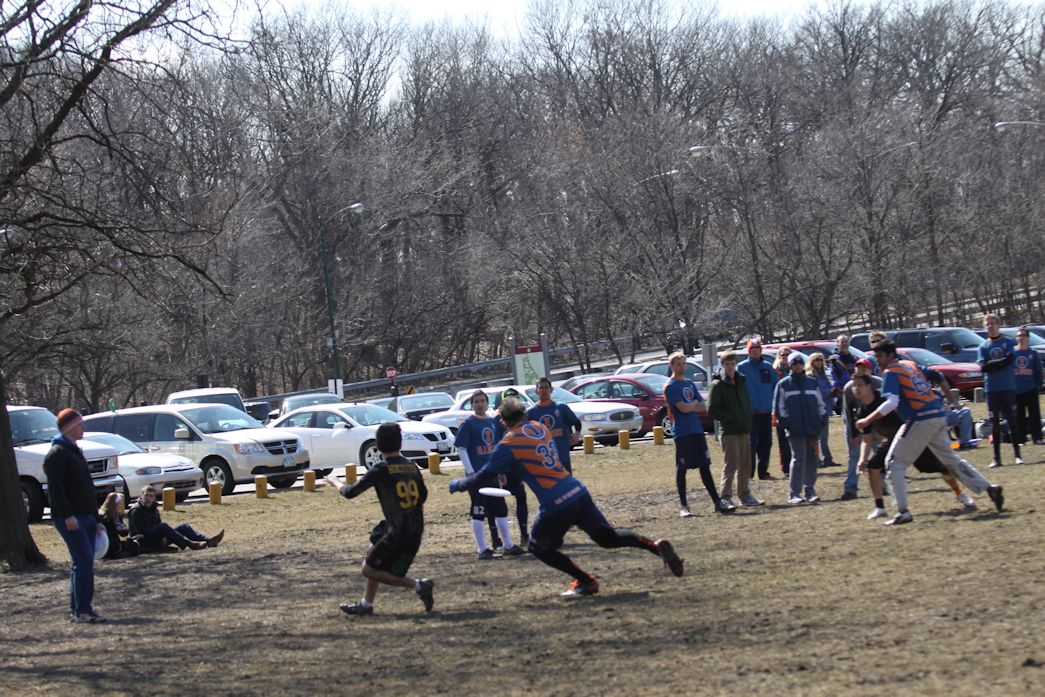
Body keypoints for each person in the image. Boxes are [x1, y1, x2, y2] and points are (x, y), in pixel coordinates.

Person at [448, 398, 684, 598]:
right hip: (577, 491)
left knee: (538, 547)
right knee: (607, 538)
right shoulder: (539, 427)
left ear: (503, 421)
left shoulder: (509, 442)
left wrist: (459, 484)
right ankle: (655, 546)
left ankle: (586, 581)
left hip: (556, 502)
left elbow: (485, 474)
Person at [857, 340, 1004, 525]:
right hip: (937, 415)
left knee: (894, 464)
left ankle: (903, 511)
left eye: (879, 356)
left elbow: (892, 402)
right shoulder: (910, 365)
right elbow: (936, 374)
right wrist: (949, 398)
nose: (877, 360)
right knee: (952, 460)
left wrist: (867, 420)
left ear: (890, 355)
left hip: (920, 418)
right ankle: (990, 488)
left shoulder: (891, 372)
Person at [324, 423, 434, 616]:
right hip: (414, 528)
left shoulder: (381, 469)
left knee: (368, 570)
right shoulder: (411, 467)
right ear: (400, 444)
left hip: (398, 532)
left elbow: (350, 492)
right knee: (373, 546)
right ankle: (366, 604)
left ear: (379, 446)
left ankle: (418, 585)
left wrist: (335, 482)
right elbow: (423, 495)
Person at [851, 374, 977, 520]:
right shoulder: (862, 411)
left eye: (860, 385)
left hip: (912, 437)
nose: (856, 388)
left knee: (942, 468)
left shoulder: (884, 400)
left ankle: (960, 494)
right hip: (892, 441)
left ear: (870, 386)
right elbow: (866, 440)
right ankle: (880, 508)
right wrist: (862, 459)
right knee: (873, 467)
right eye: (854, 385)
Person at [44, 408, 107, 623]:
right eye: (80, 424)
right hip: (71, 518)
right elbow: (56, 490)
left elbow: (86, 488)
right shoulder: (57, 454)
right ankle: (82, 610)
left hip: (86, 516)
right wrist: (68, 516)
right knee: (83, 560)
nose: (83, 428)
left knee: (83, 562)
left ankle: (80, 608)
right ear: (70, 428)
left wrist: (96, 520)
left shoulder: (75, 451)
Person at [453, 390, 524, 559]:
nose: (480, 404)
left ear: (487, 403)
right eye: (476, 401)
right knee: (479, 511)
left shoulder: (493, 422)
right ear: (472, 405)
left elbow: (497, 449)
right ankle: (482, 549)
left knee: (501, 509)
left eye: (482, 401)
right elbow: (461, 449)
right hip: (477, 476)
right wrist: (471, 473)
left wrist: (500, 471)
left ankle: (508, 545)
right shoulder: (468, 424)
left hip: (492, 474)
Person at [664, 351, 733, 517]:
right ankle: (684, 506)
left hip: (696, 430)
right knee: (682, 469)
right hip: (682, 432)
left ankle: (717, 502)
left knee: (704, 466)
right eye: (678, 364)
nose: (682, 367)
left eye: (683, 363)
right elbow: (683, 408)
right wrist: (694, 404)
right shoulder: (670, 386)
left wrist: (693, 405)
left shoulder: (689, 383)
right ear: (671, 366)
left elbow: (703, 406)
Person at [707, 351, 763, 508]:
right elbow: (711, 409)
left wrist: (747, 418)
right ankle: (725, 497)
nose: (730, 367)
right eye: (727, 364)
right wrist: (729, 418)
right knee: (731, 465)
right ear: (722, 365)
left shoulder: (742, 381)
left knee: (746, 464)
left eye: (732, 364)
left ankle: (745, 495)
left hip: (743, 429)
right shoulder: (717, 385)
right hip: (729, 431)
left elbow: (746, 402)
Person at [773, 352, 827, 504]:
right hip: (795, 429)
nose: (797, 366)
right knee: (798, 458)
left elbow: (820, 403)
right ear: (790, 366)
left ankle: (810, 490)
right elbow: (779, 407)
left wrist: (821, 420)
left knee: (812, 458)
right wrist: (787, 423)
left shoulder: (812, 382)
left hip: (812, 427)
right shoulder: (783, 384)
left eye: (800, 363)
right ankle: (794, 493)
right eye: (794, 364)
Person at [978, 314, 1024, 467]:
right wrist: (1000, 362)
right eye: (987, 324)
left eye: (992, 323)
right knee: (995, 423)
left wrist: (992, 364)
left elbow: (1009, 360)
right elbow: (983, 367)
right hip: (992, 389)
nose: (990, 326)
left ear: (998, 325)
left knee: (1011, 420)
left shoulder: (1008, 342)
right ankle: (997, 458)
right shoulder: (983, 346)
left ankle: (1017, 455)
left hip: (1007, 387)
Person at [128, 485, 224, 552]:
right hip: (144, 541)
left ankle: (209, 541)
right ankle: (190, 544)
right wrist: (161, 534)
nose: (148, 498)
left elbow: (157, 525)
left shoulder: (154, 509)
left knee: (184, 527)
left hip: (157, 538)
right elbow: (140, 532)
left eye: (151, 496)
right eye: (146, 495)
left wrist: (163, 536)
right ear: (141, 496)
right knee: (163, 526)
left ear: (154, 498)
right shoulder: (136, 511)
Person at [839, 358, 880, 500]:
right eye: (858, 368)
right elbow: (848, 413)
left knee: (880, 454)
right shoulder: (849, 388)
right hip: (858, 424)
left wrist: (881, 431)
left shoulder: (878, 383)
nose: (861, 370)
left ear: (870, 370)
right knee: (855, 456)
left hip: (876, 425)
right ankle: (850, 488)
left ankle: (883, 485)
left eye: (864, 368)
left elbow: (883, 408)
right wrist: (853, 434)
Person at [736, 338, 777, 480]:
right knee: (751, 445)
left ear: (761, 350)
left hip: (766, 412)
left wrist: (774, 407)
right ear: (748, 351)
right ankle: (749, 473)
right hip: (750, 414)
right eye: (752, 349)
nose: (755, 351)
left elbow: (775, 387)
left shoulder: (768, 367)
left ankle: (763, 472)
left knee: (767, 443)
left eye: (757, 349)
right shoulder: (741, 368)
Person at [527, 377, 581, 473]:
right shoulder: (531, 412)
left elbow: (576, 423)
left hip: (562, 456)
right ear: (536, 391)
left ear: (551, 390)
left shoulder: (561, 408)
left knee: (566, 481)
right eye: (541, 388)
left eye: (546, 387)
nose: (544, 390)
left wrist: (576, 434)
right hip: (543, 459)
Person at [806, 352, 839, 468]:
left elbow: (828, 388)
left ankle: (827, 459)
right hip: (815, 410)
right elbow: (817, 393)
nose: (819, 362)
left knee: (824, 437)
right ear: (812, 362)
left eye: (821, 360)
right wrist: (830, 391)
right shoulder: (810, 376)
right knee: (815, 437)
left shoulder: (824, 375)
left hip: (826, 408)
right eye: (817, 360)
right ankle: (816, 460)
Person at [1012, 326, 1044, 446]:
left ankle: (1037, 438)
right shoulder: (1012, 352)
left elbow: (1038, 370)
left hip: (1030, 388)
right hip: (1016, 389)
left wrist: (1038, 383)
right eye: (1019, 336)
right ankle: (1021, 439)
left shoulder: (1033, 353)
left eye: (1023, 335)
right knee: (1018, 415)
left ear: (1028, 338)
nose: (1021, 338)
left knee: (1034, 414)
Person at [98, 492, 142, 559]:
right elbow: (105, 533)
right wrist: (116, 529)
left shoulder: (118, 516)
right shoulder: (103, 516)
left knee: (140, 537)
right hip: (107, 542)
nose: (120, 505)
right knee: (114, 544)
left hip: (117, 541)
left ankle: (123, 550)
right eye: (118, 503)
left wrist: (124, 529)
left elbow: (123, 535)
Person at [771, 348, 793, 475]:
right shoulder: (774, 371)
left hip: (793, 407)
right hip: (780, 407)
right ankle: (786, 467)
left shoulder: (795, 369)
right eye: (783, 354)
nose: (785, 356)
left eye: (787, 354)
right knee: (783, 440)